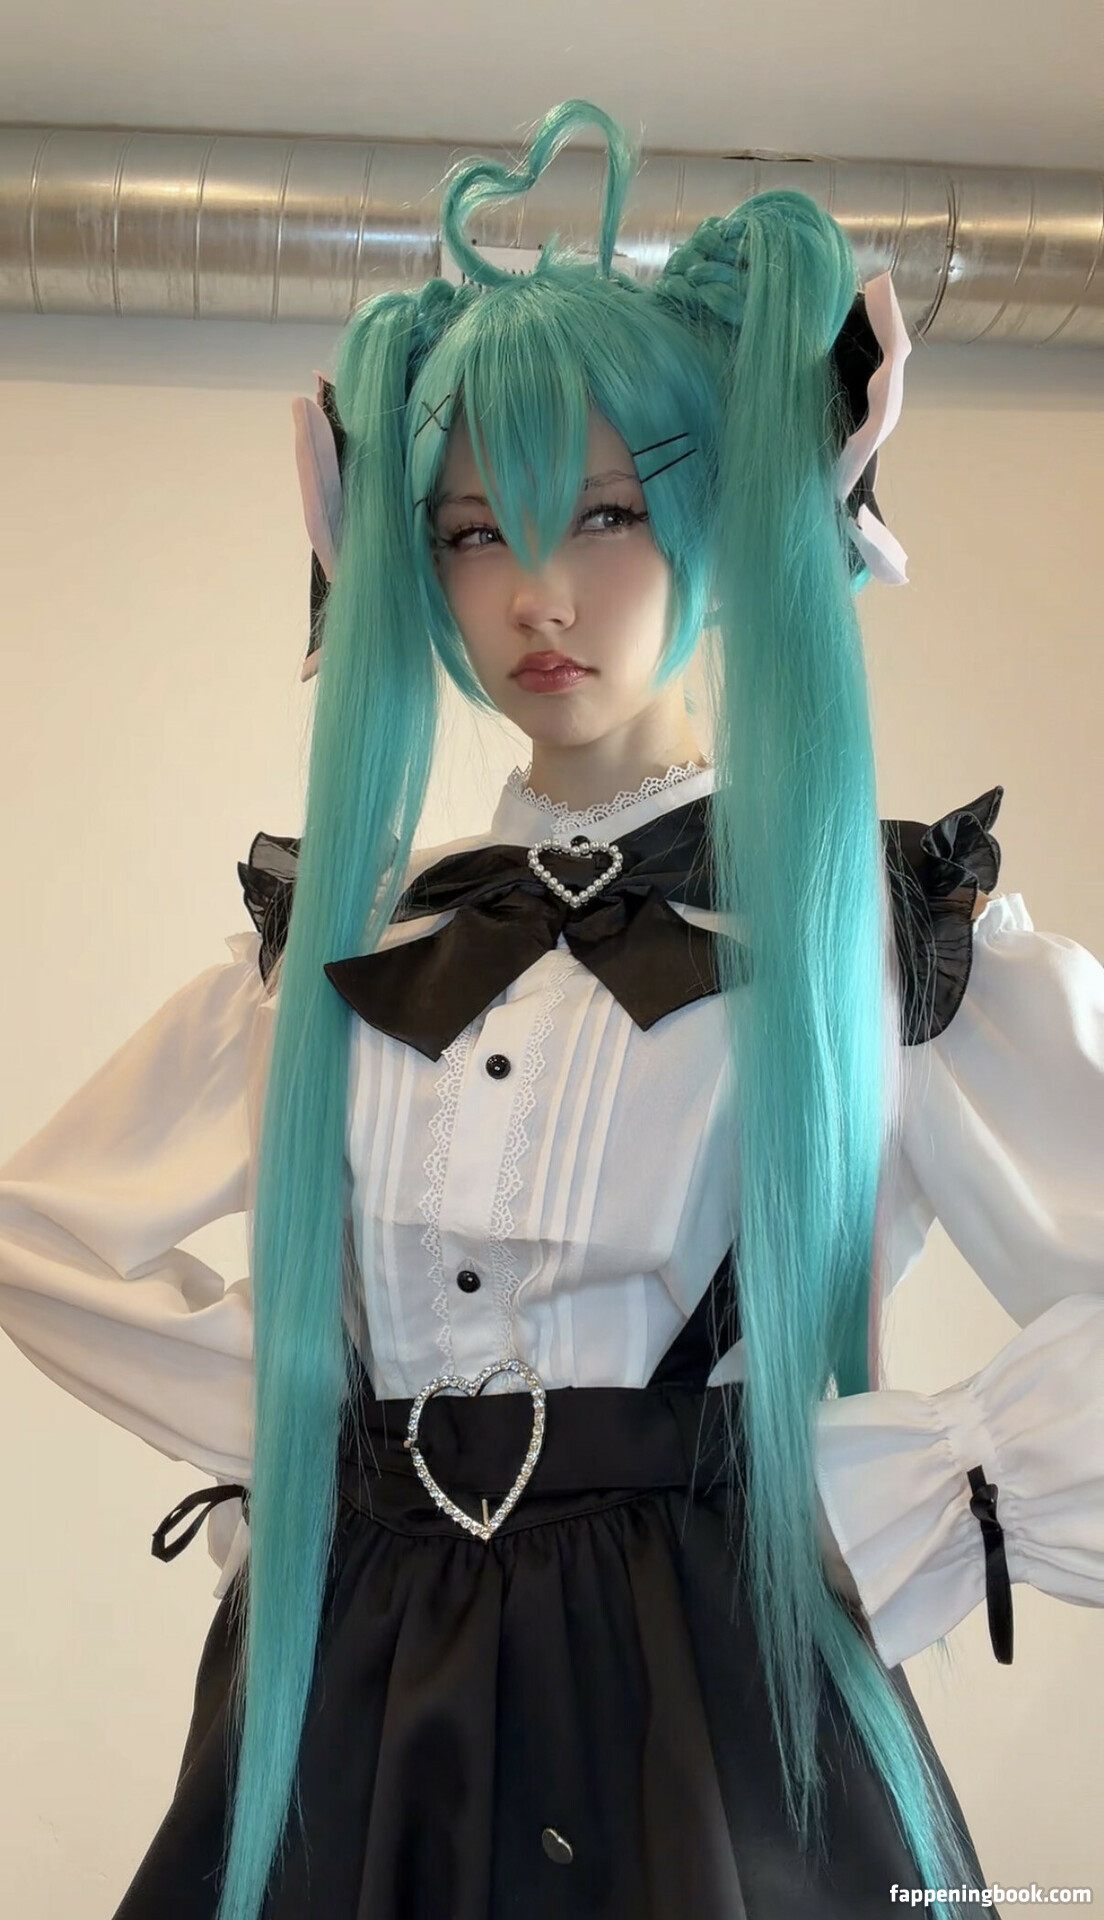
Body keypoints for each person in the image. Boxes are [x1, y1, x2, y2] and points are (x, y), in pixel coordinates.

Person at [1, 97, 1101, 1920]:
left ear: (721, 509)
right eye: (469, 534)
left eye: (606, 512)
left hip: (722, 1700)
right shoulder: (339, 956)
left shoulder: (866, 942)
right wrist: (306, 1426)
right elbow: (36, 1233)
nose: (534, 594)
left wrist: (926, 1493)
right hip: (364, 1685)